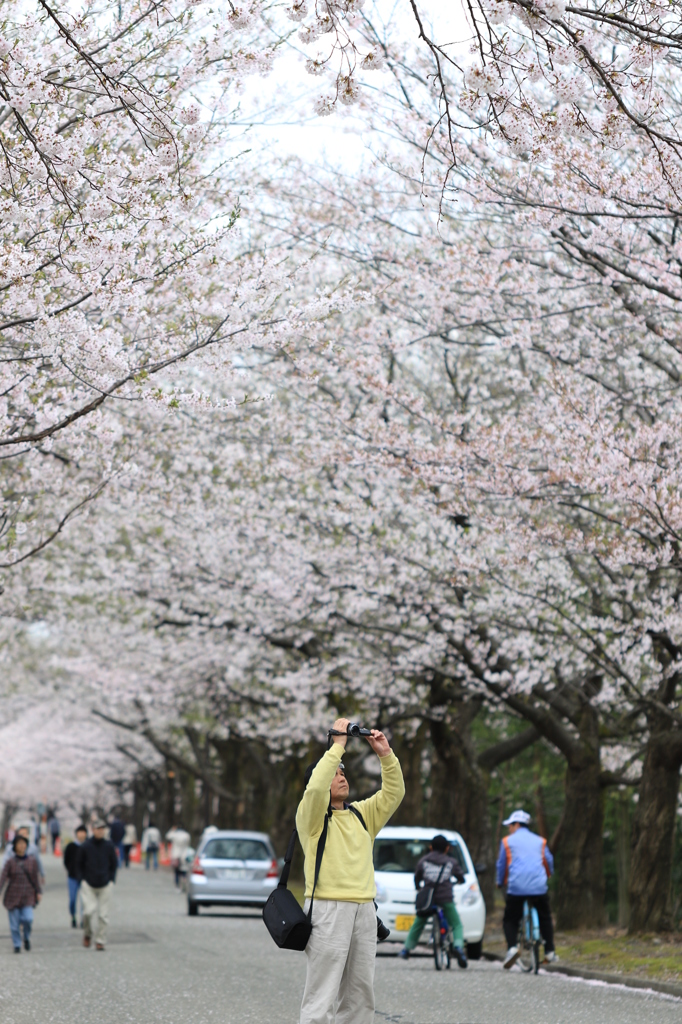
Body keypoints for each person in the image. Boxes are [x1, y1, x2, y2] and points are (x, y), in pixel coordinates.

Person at [297, 717, 405, 1024]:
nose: (341, 776)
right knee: (322, 993)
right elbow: (316, 789)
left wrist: (385, 754)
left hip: (364, 910)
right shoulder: (312, 819)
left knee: (360, 994)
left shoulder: (362, 814)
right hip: (329, 909)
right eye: (334, 774)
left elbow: (394, 794)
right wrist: (337, 747)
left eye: (342, 772)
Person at [496, 809, 557, 968]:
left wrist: (500, 882)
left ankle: (512, 948)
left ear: (517, 824)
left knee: (510, 919)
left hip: (516, 887)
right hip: (538, 886)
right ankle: (550, 951)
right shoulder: (540, 841)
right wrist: (547, 876)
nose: (509, 828)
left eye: (510, 825)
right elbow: (548, 861)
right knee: (545, 916)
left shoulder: (507, 841)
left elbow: (502, 865)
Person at [398, 834, 468, 967]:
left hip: (428, 899)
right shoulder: (451, 862)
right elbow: (460, 876)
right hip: (446, 897)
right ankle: (458, 947)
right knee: (456, 924)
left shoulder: (423, 861)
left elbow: (417, 877)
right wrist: (459, 880)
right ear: (447, 848)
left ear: (431, 847)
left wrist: (419, 887)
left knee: (419, 922)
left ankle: (406, 949)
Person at [79, 818, 118, 950]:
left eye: (103, 829)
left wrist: (112, 879)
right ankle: (87, 933)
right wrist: (82, 879)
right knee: (88, 913)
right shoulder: (86, 846)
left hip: (105, 883)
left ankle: (100, 940)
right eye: (98, 829)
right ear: (92, 830)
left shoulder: (109, 845)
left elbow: (114, 863)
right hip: (88, 883)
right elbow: (79, 864)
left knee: (103, 915)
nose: (100, 831)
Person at [0, 834, 41, 952]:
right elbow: (2, 878)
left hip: (27, 895)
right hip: (12, 895)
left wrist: (38, 892)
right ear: (14, 846)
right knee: (14, 924)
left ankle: (26, 937)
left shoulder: (32, 861)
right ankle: (17, 944)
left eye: (24, 844)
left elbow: (35, 878)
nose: (21, 846)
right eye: (19, 844)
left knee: (28, 919)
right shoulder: (10, 862)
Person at [63, 824, 88, 927]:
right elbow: (66, 861)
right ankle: (73, 916)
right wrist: (70, 869)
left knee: (84, 900)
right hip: (72, 877)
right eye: (80, 832)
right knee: (72, 899)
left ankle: (83, 919)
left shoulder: (88, 846)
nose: (81, 834)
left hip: (85, 878)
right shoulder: (71, 846)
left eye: (83, 832)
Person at [166, 825, 191, 890]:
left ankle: (177, 885)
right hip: (184, 855)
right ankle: (184, 881)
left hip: (176, 855)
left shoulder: (175, 835)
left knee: (176, 871)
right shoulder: (187, 835)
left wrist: (172, 830)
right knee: (184, 870)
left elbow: (168, 836)